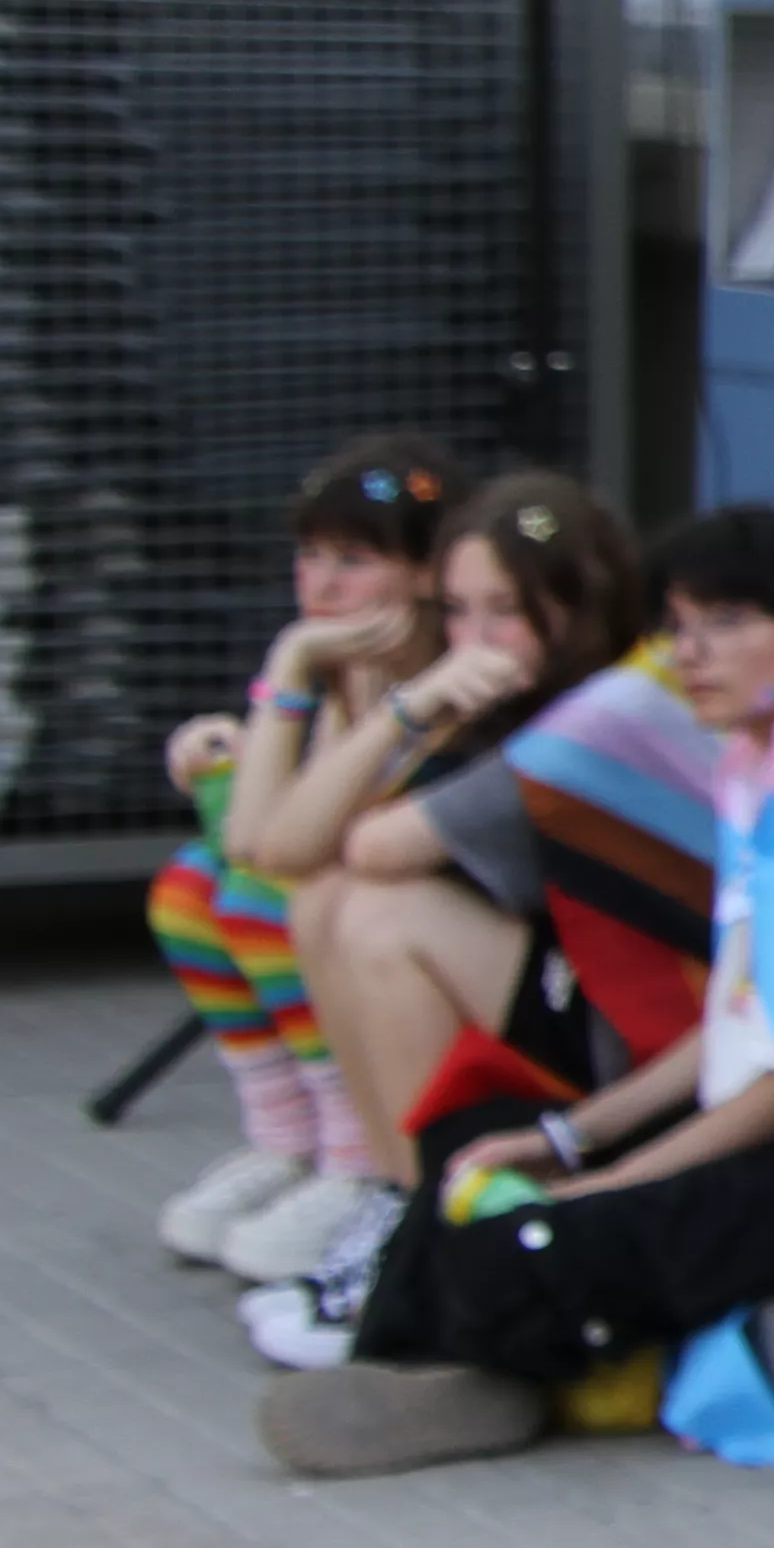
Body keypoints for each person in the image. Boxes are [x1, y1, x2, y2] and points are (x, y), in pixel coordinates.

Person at [258, 506, 774, 1481]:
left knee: (555, 1225)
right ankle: (445, 1365)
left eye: (727, 624)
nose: (691, 655)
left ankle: (477, 1373)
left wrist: (609, 1172)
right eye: (680, 627)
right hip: (748, 1097)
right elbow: (745, 1014)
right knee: (474, 1143)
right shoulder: (768, 754)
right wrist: (569, 1138)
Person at [232, 471, 661, 1358]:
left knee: (377, 918)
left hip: (639, 1048)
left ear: (577, 607)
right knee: (325, 905)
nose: (474, 638)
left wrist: (408, 707)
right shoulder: (487, 698)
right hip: (557, 996)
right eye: (458, 611)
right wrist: (297, 668)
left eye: (504, 611)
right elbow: (274, 849)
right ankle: (395, 1205)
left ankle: (425, 1225)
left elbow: (360, 847)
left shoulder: (593, 716)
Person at [148, 434, 456, 1274]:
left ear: (428, 574)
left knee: (259, 893)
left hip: (437, 927)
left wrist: (286, 668)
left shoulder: (442, 674)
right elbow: (277, 811)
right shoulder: (341, 662)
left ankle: (356, 1159)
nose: (320, 584)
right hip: (354, 890)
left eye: (353, 560)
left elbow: (289, 838)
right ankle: (289, 1141)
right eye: (309, 555)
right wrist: (235, 746)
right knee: (187, 888)